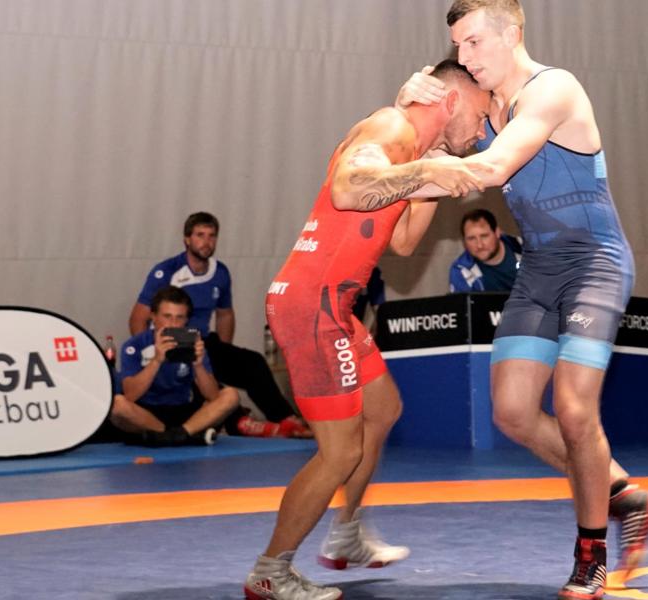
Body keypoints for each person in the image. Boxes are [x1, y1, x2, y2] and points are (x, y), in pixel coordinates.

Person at [396, 2, 648, 596]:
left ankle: (591, 550)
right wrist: (408, 113)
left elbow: (492, 167)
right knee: (514, 411)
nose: (464, 59)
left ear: (512, 34)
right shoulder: (481, 110)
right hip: (540, 269)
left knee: (574, 410)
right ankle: (629, 497)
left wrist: (386, 176)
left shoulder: (554, 89)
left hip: (594, 263)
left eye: (472, 43)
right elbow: (414, 210)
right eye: (457, 47)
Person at [243, 59, 492, 600]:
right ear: (451, 99)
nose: (482, 130)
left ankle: (346, 534)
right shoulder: (391, 127)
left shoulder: (416, 149)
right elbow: (348, 188)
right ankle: (271, 570)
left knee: (382, 410)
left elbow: (401, 242)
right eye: (481, 113)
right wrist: (428, 170)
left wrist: (436, 165)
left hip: (333, 307)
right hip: (313, 306)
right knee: (339, 452)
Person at [130, 212, 311, 439]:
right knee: (198, 380)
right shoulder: (166, 271)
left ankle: (284, 420)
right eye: (200, 235)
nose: (206, 242)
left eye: (211, 236)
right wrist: (150, 351)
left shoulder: (220, 273)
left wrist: (222, 354)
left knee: (253, 362)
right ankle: (239, 423)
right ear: (187, 239)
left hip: (203, 342)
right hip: (172, 344)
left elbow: (225, 315)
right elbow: (138, 318)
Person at [111, 286, 240, 446]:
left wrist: (198, 365)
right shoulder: (135, 345)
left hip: (183, 412)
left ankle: (175, 435)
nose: (173, 323)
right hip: (147, 413)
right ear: (153, 317)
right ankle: (178, 436)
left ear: (187, 320)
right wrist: (156, 360)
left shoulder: (192, 343)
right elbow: (130, 395)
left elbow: (212, 396)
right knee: (118, 404)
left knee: (230, 395)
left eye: (180, 317)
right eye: (167, 316)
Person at [449, 207, 522, 292]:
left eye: (484, 236)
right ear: (464, 241)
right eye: (471, 238)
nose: (479, 245)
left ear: (497, 233)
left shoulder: (527, 249)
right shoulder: (462, 270)